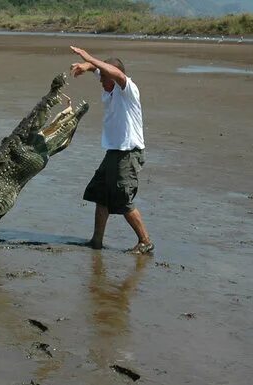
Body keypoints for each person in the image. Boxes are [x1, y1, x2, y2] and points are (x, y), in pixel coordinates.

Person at [69, 46, 154, 253]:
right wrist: (85, 65)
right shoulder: (110, 85)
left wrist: (89, 57)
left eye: (103, 78)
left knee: (123, 199)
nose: (101, 81)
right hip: (114, 152)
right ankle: (96, 241)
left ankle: (145, 241)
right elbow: (100, 70)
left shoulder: (128, 89)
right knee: (101, 195)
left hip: (128, 153)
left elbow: (116, 73)